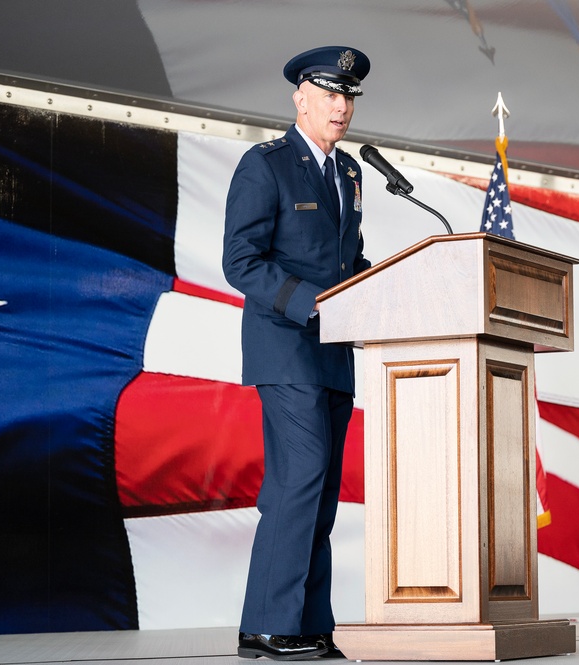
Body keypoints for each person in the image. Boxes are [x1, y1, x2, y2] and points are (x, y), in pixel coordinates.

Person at [222, 45, 372, 660]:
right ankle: (268, 623)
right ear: (300, 98)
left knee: (324, 488)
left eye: (349, 97)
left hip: (334, 354)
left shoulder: (351, 174)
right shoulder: (266, 166)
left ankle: (308, 623)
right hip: (285, 347)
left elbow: (349, 261)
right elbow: (241, 262)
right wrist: (310, 302)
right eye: (330, 94)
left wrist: (379, 288)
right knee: (299, 479)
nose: (341, 106)